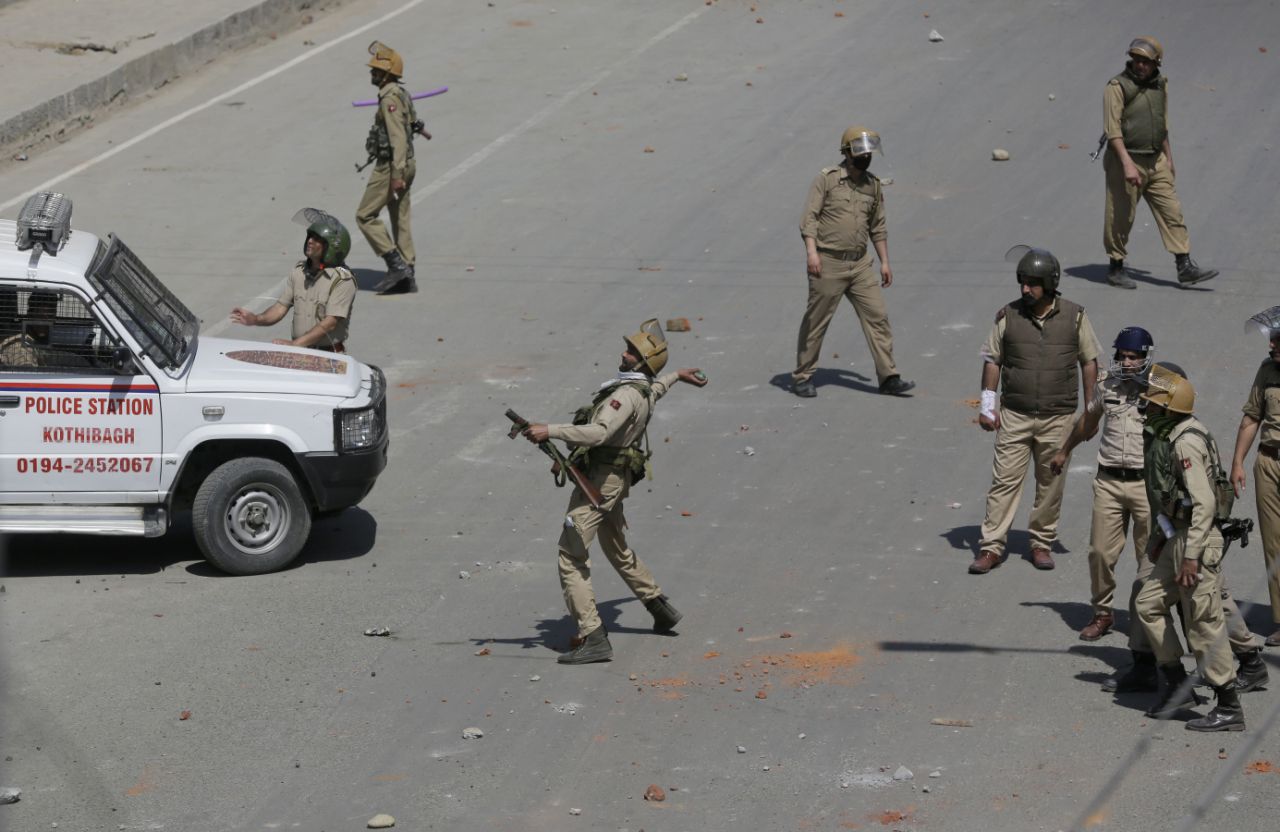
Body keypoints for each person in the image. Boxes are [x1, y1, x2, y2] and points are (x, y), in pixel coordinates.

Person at [521, 320, 708, 664]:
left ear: (642, 362)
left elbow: (600, 432)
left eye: (632, 352)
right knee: (616, 546)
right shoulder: (643, 388)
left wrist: (552, 431)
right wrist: (677, 375)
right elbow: (657, 388)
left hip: (598, 484)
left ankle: (593, 636)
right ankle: (659, 606)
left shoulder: (624, 395)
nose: (624, 353)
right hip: (614, 483)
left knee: (571, 554)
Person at [970, 247, 1098, 575]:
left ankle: (1041, 542)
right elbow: (992, 361)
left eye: (1032, 283)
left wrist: (1091, 411)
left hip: (1059, 417)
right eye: (1022, 282)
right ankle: (991, 547)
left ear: (1050, 284)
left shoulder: (1075, 316)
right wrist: (988, 407)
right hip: (1015, 415)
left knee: (1050, 484)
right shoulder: (1008, 317)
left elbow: (1089, 362)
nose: (1025, 289)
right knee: (1004, 482)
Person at [1134, 365, 1245, 730]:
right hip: (1177, 537)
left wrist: (1192, 555)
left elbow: (1204, 503)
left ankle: (1228, 705)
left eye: (1151, 402)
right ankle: (1177, 684)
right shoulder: (1172, 435)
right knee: (1148, 604)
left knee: (1203, 624)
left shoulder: (1185, 442)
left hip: (1196, 539)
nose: (1144, 406)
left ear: (1167, 408)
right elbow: (1169, 499)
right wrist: (1159, 542)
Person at [791, 126, 914, 398]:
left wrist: (884, 262)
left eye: (869, 152)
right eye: (860, 152)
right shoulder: (827, 180)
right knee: (816, 321)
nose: (866, 157)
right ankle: (802, 376)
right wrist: (812, 253)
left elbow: (877, 227)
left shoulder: (873, 185)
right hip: (828, 263)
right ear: (847, 153)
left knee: (878, 317)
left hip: (860, 265)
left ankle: (889, 377)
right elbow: (809, 219)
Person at [1050, 327, 1154, 642]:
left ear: (1146, 358)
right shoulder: (1107, 382)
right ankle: (1102, 613)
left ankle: (1147, 619)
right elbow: (1089, 419)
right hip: (1109, 481)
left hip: (1145, 485)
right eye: (1122, 356)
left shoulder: (1162, 386)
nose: (1126, 362)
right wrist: (1064, 450)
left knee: (1148, 559)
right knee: (1099, 553)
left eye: (1133, 357)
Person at [1102, 36, 1216, 289]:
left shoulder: (1159, 86)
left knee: (1172, 211)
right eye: (1137, 60)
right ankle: (1116, 266)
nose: (1140, 65)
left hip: (1156, 160)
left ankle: (1184, 266)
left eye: (1146, 61)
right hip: (1126, 159)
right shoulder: (1117, 87)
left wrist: (1169, 159)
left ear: (1157, 64)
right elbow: (1113, 131)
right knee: (1121, 216)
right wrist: (1128, 165)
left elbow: (1162, 125)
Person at [230, 210, 356, 351]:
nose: (309, 241)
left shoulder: (342, 281)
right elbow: (279, 308)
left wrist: (295, 345)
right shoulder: (299, 272)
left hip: (328, 354)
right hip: (299, 350)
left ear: (332, 247)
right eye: (310, 237)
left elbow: (330, 323)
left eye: (317, 239)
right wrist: (255, 319)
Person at [1230, 306, 1280, 647]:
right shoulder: (1267, 371)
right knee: (1274, 544)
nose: (1271, 345)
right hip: (1269, 463)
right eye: (1272, 339)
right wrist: (1237, 463)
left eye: (1277, 340)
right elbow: (1251, 419)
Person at [357, 41, 421, 295]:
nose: (372, 74)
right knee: (399, 216)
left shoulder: (389, 99)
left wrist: (396, 175)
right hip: (408, 162)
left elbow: (398, 138)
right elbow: (412, 123)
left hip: (392, 166)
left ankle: (396, 266)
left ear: (387, 73)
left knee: (365, 215)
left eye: (376, 71)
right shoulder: (401, 93)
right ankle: (408, 272)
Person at [0, 290, 90, 369]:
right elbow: (28, 382)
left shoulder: (33, 341)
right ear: (30, 315)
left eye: (50, 317)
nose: (45, 323)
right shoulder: (20, 348)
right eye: (41, 317)